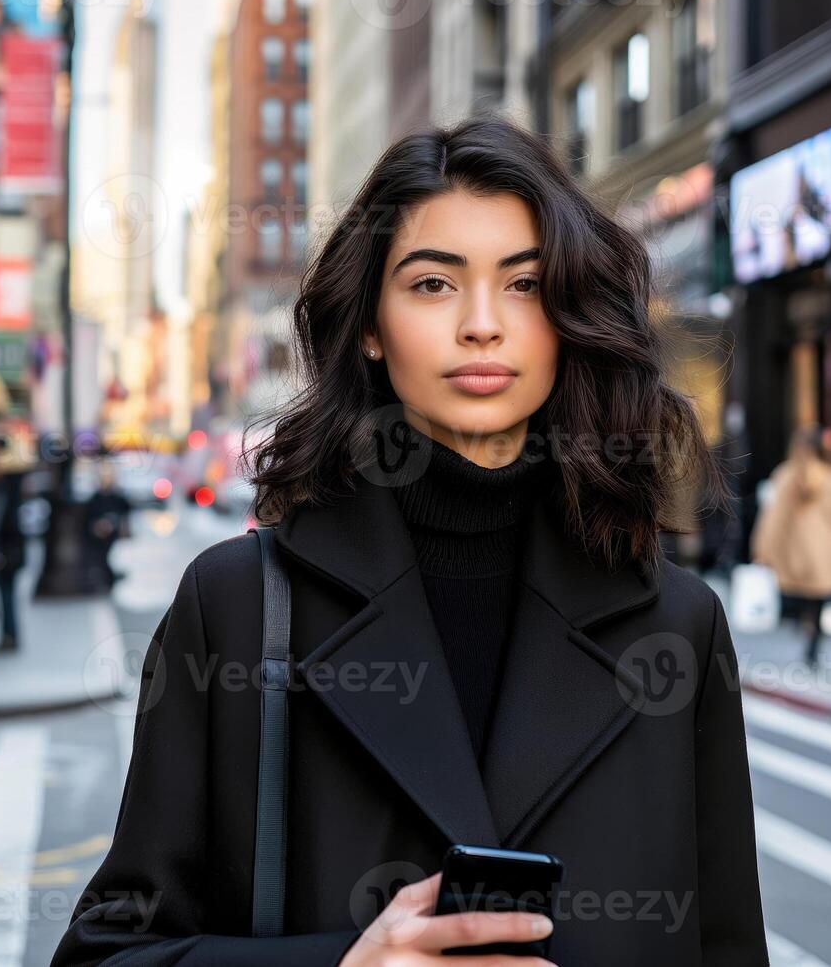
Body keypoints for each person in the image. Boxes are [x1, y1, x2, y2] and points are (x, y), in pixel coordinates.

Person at [52, 115, 767, 966]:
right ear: (368, 326)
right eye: (433, 284)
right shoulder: (240, 608)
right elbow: (105, 954)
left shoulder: (675, 624)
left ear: (568, 317)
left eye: (525, 285)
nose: (481, 325)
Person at [750, 425, 831, 667]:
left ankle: (805, 626)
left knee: (802, 594)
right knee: (819, 596)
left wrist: (762, 548)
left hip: (795, 549)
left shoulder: (785, 475)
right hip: (825, 550)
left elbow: (772, 516)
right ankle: (814, 642)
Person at [0, 434, 32, 653]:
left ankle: (9, 636)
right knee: (7, 597)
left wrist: (1, 552)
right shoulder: (13, 484)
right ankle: (8, 635)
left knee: (6, 597)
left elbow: (6, 523)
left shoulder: (7, 486)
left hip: (8, 552)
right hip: (12, 551)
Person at [78, 457, 131, 593]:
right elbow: (88, 519)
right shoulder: (95, 498)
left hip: (113, 536)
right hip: (98, 538)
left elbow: (125, 513)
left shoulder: (118, 497)